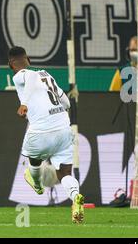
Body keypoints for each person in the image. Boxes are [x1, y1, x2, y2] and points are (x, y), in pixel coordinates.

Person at [8, 46, 85, 224]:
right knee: (65, 173)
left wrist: (25, 104)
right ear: (29, 58)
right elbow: (65, 101)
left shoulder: (20, 75)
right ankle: (76, 197)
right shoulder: (47, 75)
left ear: (11, 64)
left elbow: (31, 76)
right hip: (63, 129)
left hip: (41, 132)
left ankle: (36, 183)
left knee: (33, 161)